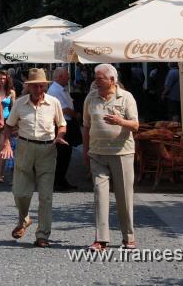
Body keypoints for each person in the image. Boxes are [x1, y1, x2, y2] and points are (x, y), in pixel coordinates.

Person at [0, 68, 67, 248]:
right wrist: (6, 144)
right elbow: (8, 126)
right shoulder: (20, 104)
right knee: (20, 192)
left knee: (46, 196)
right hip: (25, 147)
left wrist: (60, 136)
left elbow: (62, 124)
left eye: (41, 86)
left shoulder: (54, 103)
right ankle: (24, 219)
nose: (38, 90)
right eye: (35, 86)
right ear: (28, 87)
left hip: (47, 149)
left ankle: (43, 235)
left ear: (45, 86)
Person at [82, 63, 139, 251]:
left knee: (124, 196)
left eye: (100, 78)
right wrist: (85, 150)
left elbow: (136, 125)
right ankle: (101, 239)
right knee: (100, 195)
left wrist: (120, 121)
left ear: (112, 80)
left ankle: (128, 237)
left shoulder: (126, 97)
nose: (96, 81)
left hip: (122, 153)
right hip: (98, 153)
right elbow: (87, 126)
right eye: (95, 78)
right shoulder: (90, 98)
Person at [47, 67, 78, 192]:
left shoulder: (61, 89)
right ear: (59, 77)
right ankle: (58, 181)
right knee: (62, 154)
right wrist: (76, 115)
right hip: (61, 124)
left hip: (66, 122)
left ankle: (61, 180)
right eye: (67, 76)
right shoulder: (55, 90)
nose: (69, 78)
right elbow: (64, 109)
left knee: (66, 153)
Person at [0, 72, 17, 184]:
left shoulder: (11, 92)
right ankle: (0, 170)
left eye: (4, 78)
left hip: (7, 121)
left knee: (2, 147)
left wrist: (13, 124)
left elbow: (14, 109)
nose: (2, 80)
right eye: (0, 78)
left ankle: (0, 174)